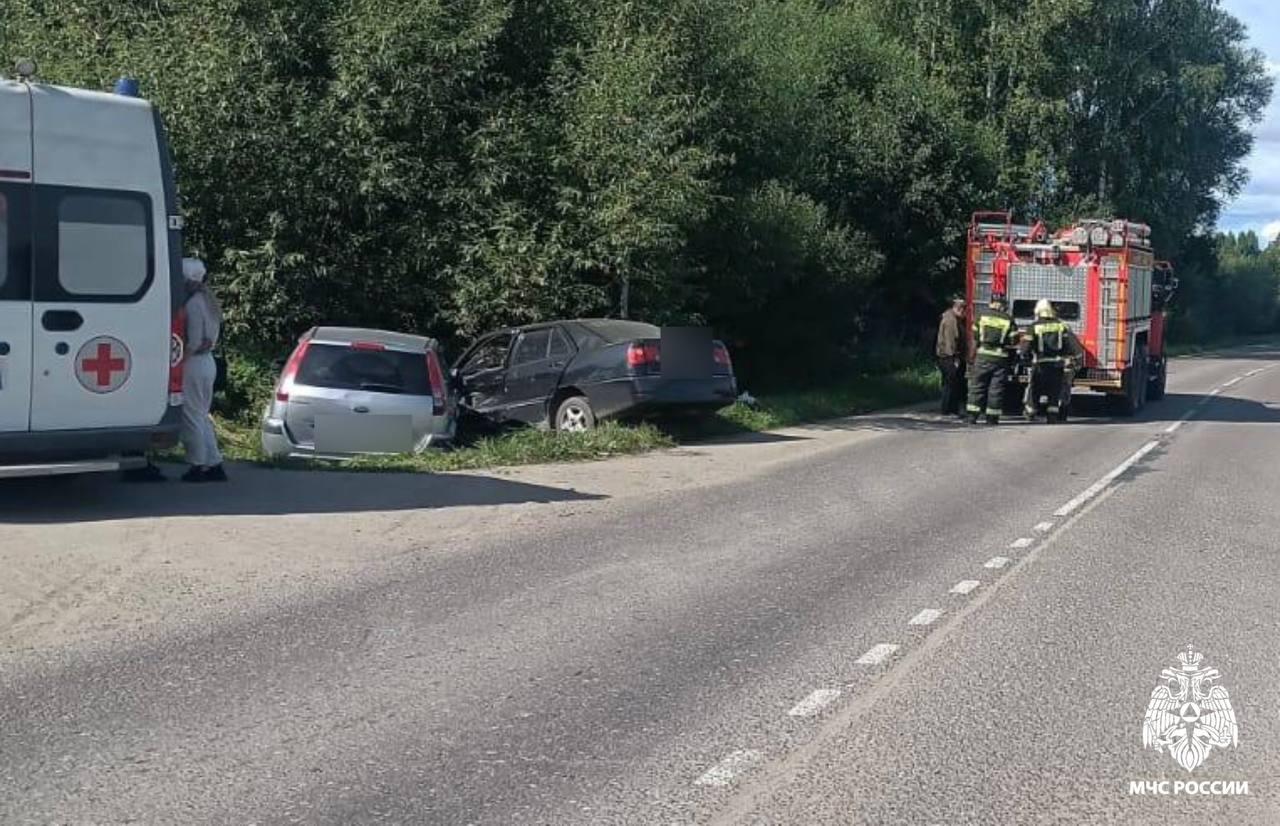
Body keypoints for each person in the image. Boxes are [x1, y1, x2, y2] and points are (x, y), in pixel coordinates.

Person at [179, 258, 227, 482]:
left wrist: (179, 363)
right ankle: (214, 461)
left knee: (191, 416)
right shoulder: (209, 302)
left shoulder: (193, 304)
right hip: (208, 363)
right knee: (201, 415)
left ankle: (196, 464)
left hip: (194, 364)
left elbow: (195, 342)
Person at [1023, 298, 1084, 422]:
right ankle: (1052, 416)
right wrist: (1078, 362)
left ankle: (1030, 413)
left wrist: (1026, 359)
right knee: (1054, 392)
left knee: (1034, 389)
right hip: (1057, 366)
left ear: (1038, 311)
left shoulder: (1034, 327)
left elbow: (1025, 347)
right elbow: (1075, 347)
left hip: (1040, 366)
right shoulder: (1061, 326)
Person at [966, 292, 1018, 425]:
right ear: (1002, 304)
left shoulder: (981, 316)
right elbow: (1013, 341)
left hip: (982, 356)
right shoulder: (1008, 319)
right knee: (996, 389)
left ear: (991, 302)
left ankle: (972, 416)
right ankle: (992, 418)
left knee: (977, 386)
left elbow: (975, 338)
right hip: (1000, 359)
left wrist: (971, 357)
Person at [935, 296, 967, 417]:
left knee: (951, 383)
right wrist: (954, 358)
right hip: (948, 357)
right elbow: (951, 341)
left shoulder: (951, 318)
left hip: (947, 356)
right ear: (960, 309)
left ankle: (950, 408)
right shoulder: (951, 320)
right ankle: (948, 409)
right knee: (951, 383)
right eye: (964, 311)